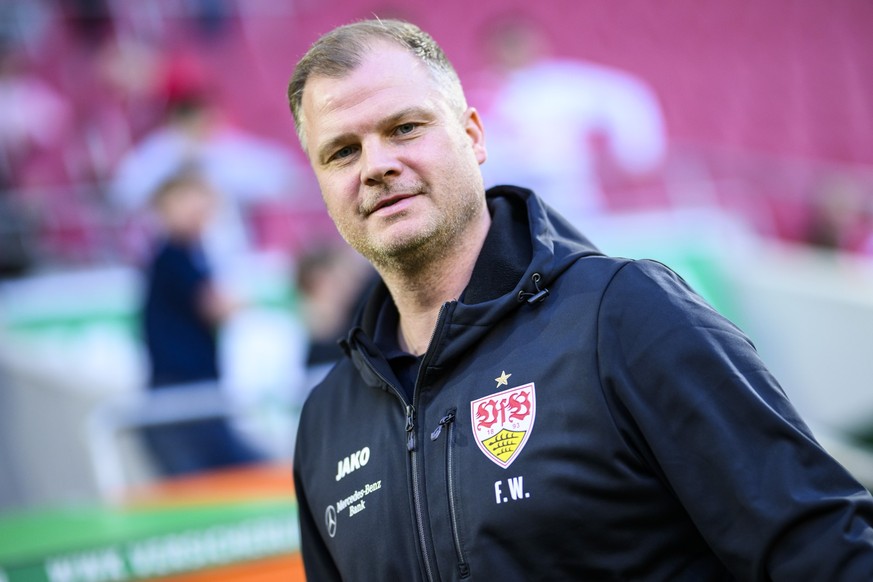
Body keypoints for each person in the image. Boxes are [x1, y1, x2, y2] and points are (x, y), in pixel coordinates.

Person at [286, 19, 873, 581]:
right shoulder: (325, 424)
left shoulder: (625, 315)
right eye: (342, 152)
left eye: (404, 128)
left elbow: (824, 548)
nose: (377, 165)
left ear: (472, 136)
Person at [140, 168, 263, 476]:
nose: (201, 211)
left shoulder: (193, 254)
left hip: (196, 386)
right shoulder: (172, 257)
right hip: (181, 392)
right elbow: (216, 306)